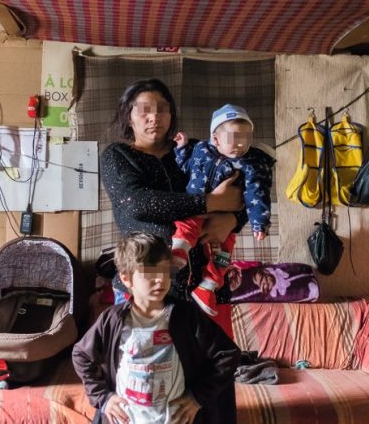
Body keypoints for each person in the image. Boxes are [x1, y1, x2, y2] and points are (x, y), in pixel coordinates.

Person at [100, 79, 245, 305]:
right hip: (145, 288)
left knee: (213, 342)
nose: (154, 117)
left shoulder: (197, 151)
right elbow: (138, 203)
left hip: (208, 287)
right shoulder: (117, 156)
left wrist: (232, 219)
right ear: (129, 116)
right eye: (144, 111)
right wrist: (211, 202)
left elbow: (240, 197)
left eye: (162, 109)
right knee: (146, 341)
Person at [72, 232, 240, 424]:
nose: (160, 279)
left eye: (164, 270)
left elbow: (228, 353)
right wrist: (103, 398)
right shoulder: (112, 319)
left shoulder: (186, 316)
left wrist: (198, 397)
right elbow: (81, 355)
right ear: (127, 279)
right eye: (149, 273)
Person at [171, 104, 275, 320]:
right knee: (186, 225)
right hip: (195, 207)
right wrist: (181, 148)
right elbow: (184, 168)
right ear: (215, 139)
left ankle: (208, 285)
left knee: (224, 252)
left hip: (225, 223)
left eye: (246, 138)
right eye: (234, 138)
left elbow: (257, 195)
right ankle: (178, 252)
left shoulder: (250, 165)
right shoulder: (200, 149)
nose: (240, 144)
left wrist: (259, 223)